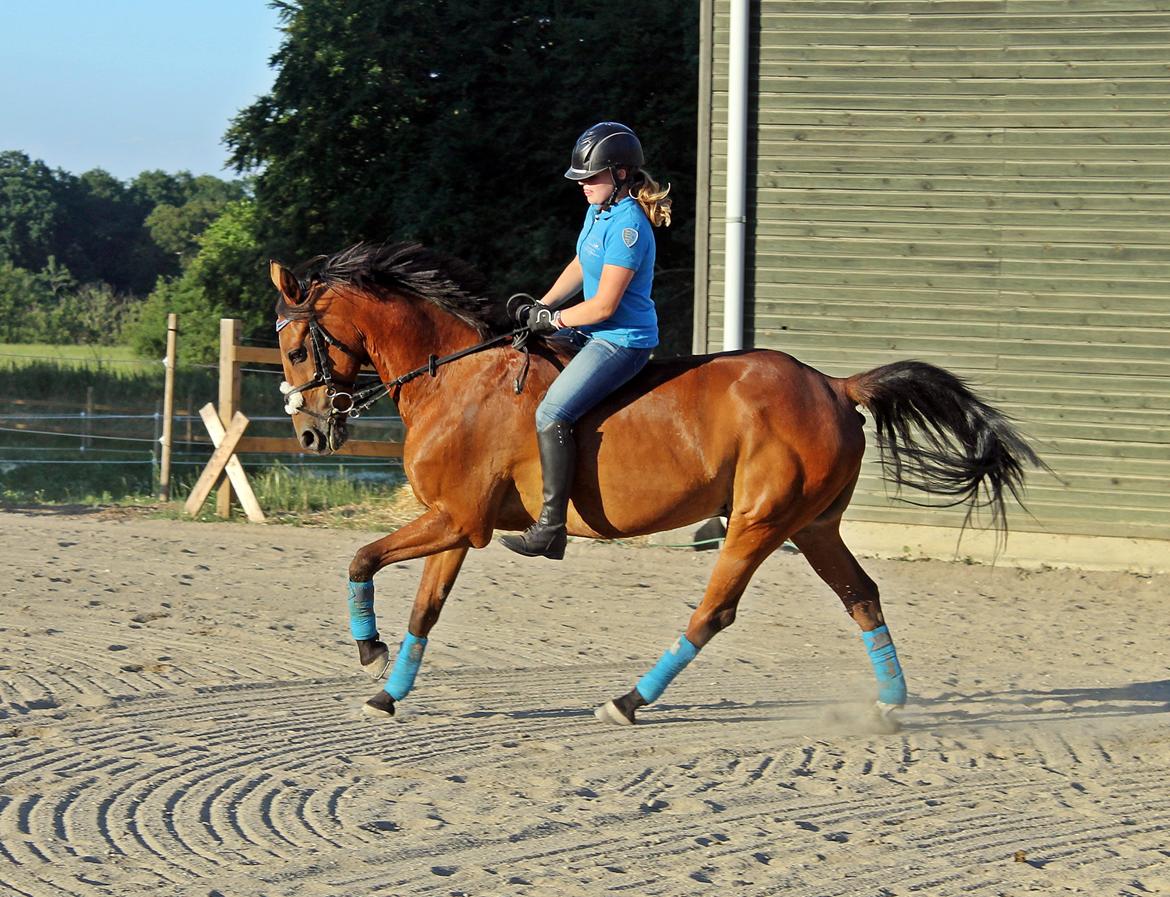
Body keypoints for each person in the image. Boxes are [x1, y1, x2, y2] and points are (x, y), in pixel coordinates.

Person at [500, 121, 673, 560]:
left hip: (620, 340)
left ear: (619, 174)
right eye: (580, 177)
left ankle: (550, 528)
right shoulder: (599, 211)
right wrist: (541, 303)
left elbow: (604, 307)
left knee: (552, 411)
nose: (582, 184)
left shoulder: (629, 226)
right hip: (589, 331)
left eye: (591, 176)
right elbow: (582, 263)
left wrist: (553, 320)